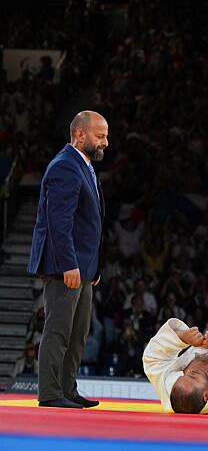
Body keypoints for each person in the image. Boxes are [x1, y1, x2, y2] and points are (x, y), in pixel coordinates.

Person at [27, 111, 108, 409]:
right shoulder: (64, 166)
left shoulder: (83, 166)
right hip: (67, 266)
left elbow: (91, 222)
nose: (106, 143)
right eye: (100, 136)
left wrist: (93, 266)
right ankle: (50, 393)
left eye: (106, 136)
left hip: (83, 266)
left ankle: (67, 388)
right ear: (80, 135)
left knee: (77, 334)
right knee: (58, 330)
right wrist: (68, 264)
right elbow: (58, 222)